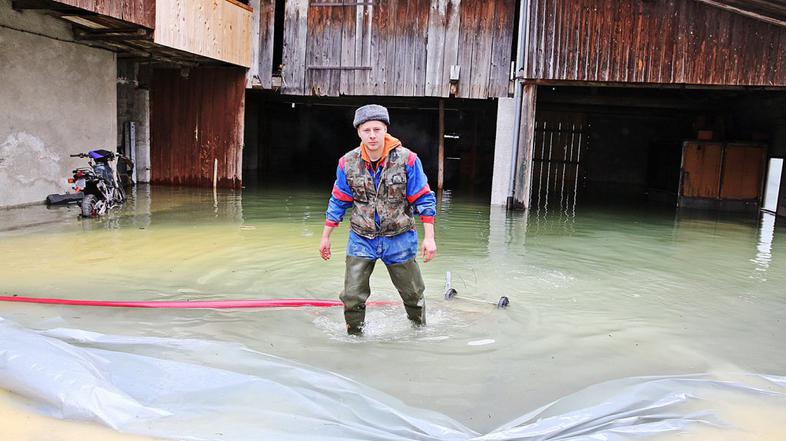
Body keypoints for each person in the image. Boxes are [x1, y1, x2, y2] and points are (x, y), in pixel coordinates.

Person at [320, 104, 437, 335]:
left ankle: (419, 333)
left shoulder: (408, 160)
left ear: (385, 130)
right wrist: (326, 237)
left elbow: (423, 198)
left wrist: (429, 238)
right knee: (352, 296)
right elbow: (338, 200)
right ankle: (354, 338)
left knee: (413, 295)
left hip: (399, 237)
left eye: (377, 129)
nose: (372, 135)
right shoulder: (347, 162)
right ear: (358, 132)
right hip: (361, 238)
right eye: (366, 130)